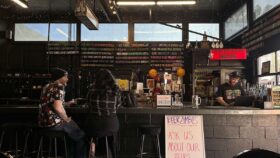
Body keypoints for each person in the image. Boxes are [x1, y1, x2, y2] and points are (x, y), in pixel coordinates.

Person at [38, 67, 86, 158]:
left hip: (43, 123)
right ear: (60, 77)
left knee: (72, 135)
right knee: (80, 135)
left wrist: (68, 103)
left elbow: (54, 103)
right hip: (53, 123)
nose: (67, 79)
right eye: (66, 76)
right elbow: (57, 107)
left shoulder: (47, 86)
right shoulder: (59, 87)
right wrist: (66, 119)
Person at [85, 69, 121, 158]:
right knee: (112, 135)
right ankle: (112, 151)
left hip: (94, 125)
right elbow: (117, 106)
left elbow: (89, 105)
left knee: (90, 131)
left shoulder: (91, 90)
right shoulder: (115, 91)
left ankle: (93, 145)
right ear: (111, 78)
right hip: (111, 125)